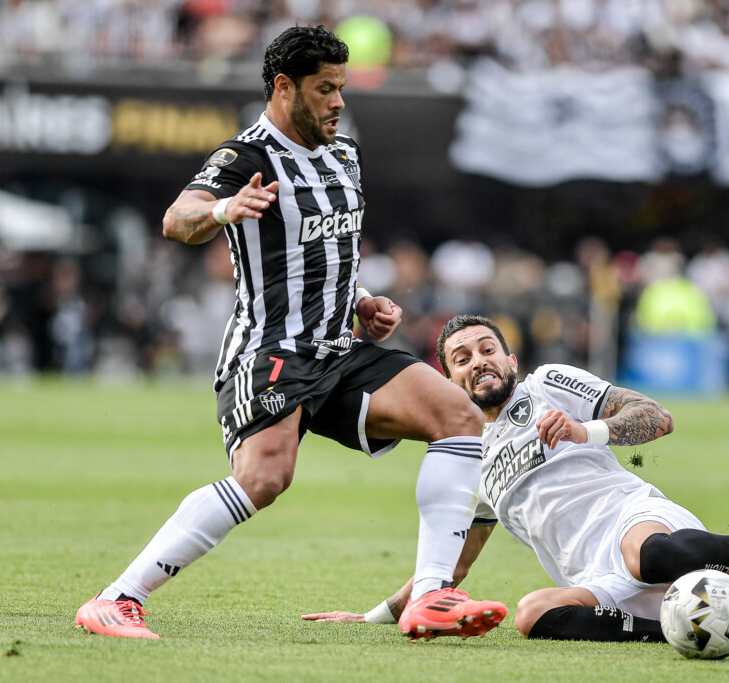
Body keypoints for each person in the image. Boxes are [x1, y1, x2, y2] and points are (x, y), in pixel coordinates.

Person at [74, 27, 505, 642]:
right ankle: (118, 598)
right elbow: (178, 218)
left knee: (459, 417)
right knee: (264, 478)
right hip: (271, 349)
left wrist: (360, 302)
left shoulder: (345, 153)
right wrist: (223, 210)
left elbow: (328, 249)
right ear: (284, 87)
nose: (338, 102)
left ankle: (430, 597)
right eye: (325, 89)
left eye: (342, 89)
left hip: (338, 347)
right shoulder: (245, 157)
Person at [303, 314, 729, 644]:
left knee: (649, 556)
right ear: (447, 378)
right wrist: (378, 613)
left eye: (487, 349)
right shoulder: (467, 456)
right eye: (461, 357)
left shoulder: (549, 383)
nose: (477, 360)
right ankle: (682, 629)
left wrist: (589, 432)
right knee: (531, 614)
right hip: (591, 574)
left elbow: (656, 417)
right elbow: (451, 567)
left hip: (632, 519)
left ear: (510, 361)